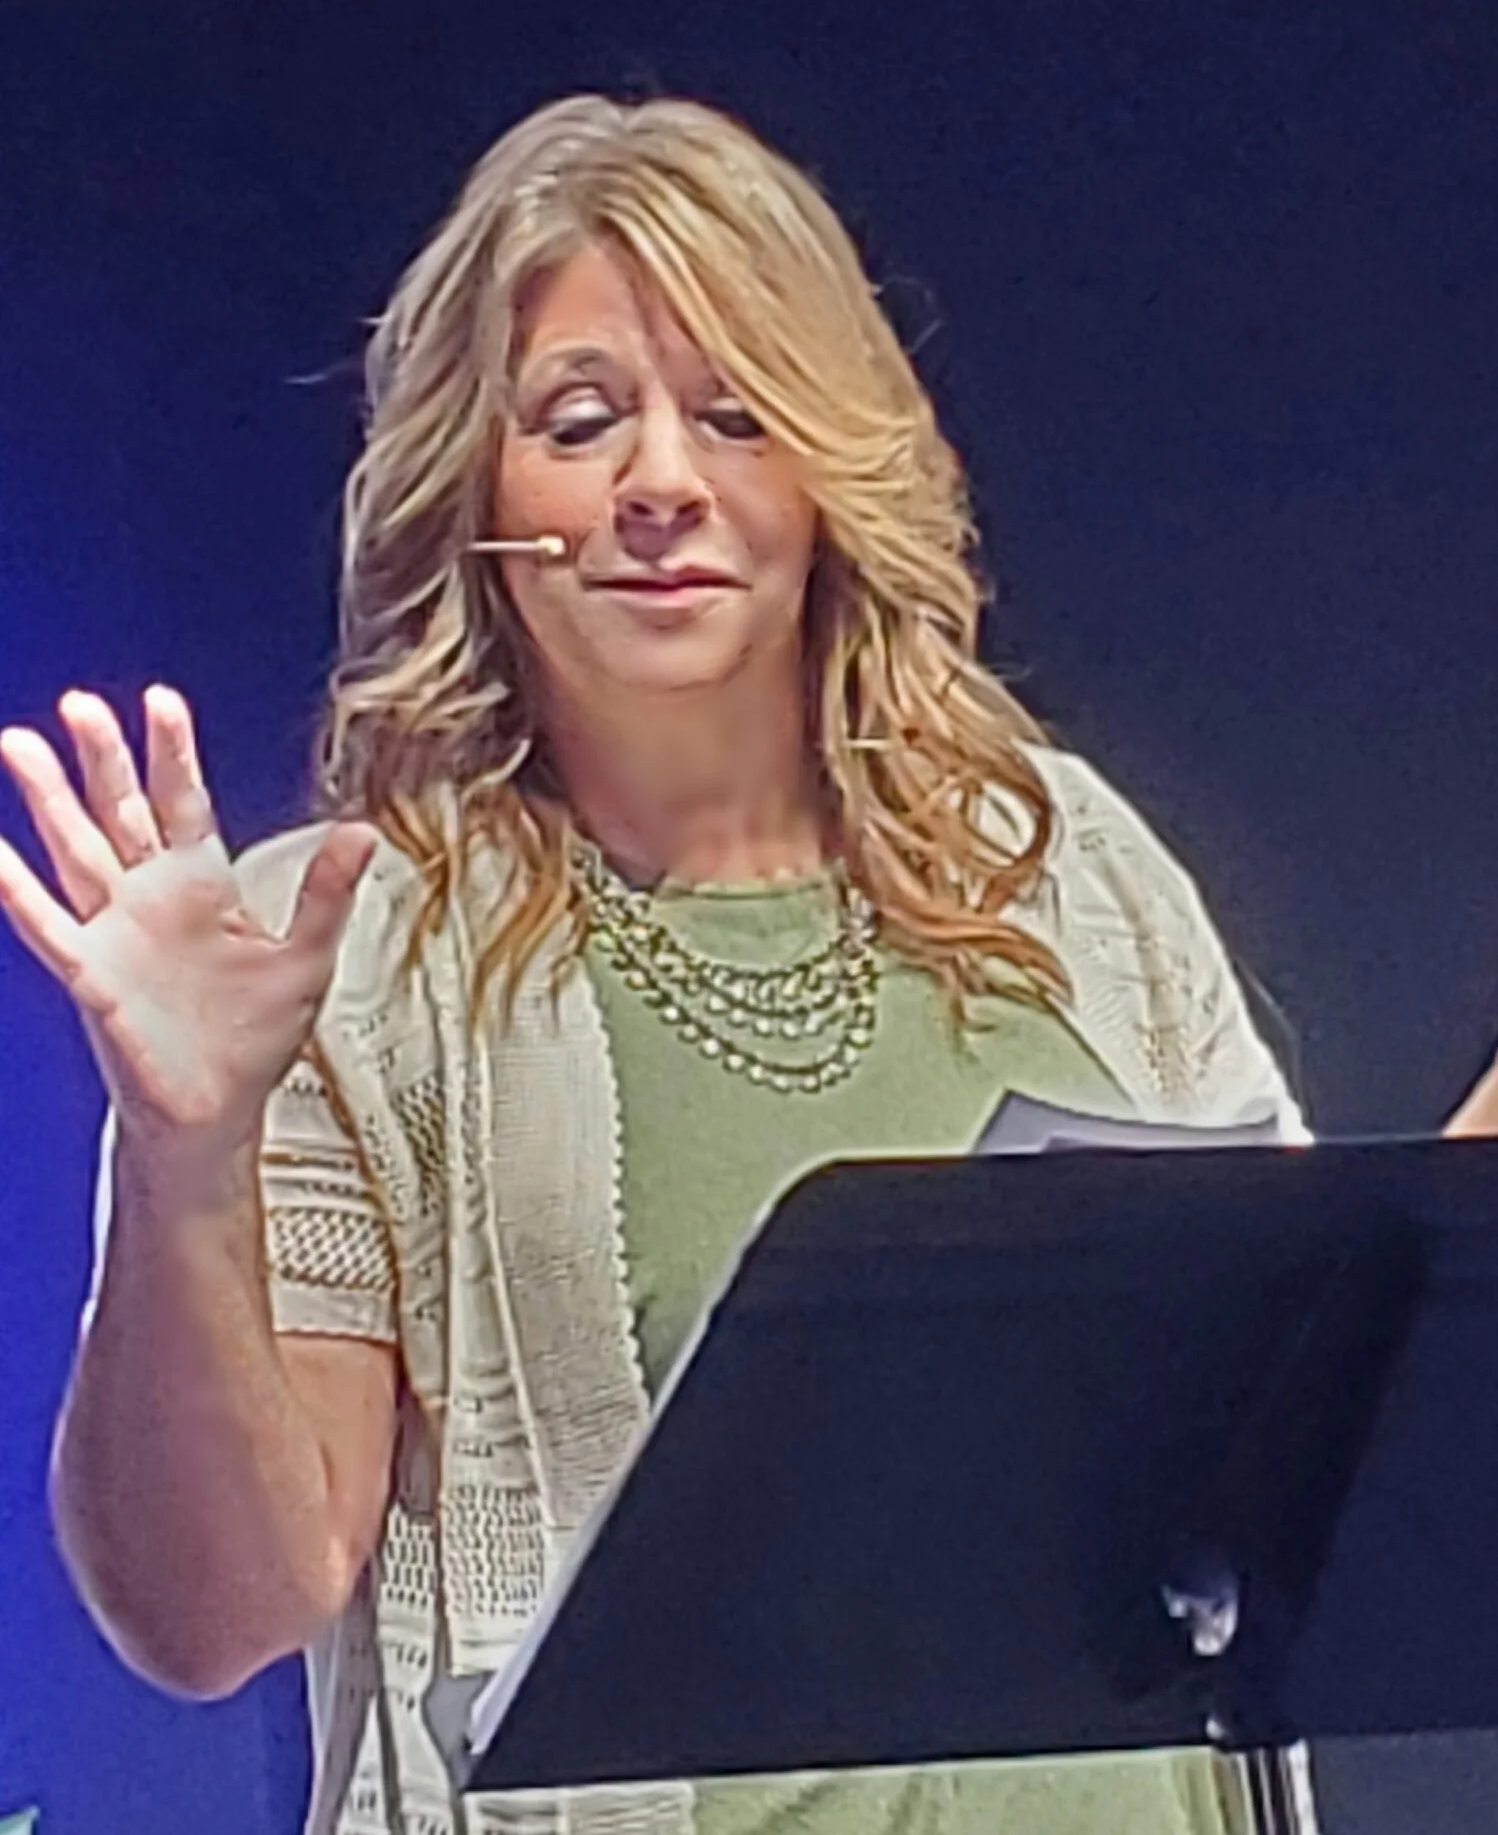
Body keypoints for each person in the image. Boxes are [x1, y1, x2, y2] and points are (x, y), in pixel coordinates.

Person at [1, 92, 1494, 1835]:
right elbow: (208, 1617)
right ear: (474, 487)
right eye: (579, 421)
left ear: (825, 470)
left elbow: (1312, 1413)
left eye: (733, 414)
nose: (660, 483)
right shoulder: (351, 949)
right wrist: (187, 1162)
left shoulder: (1062, 864)